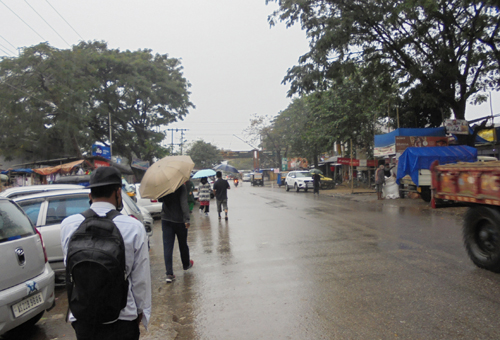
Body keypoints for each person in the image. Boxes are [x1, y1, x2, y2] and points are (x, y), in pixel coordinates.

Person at [60, 166, 151, 340]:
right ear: (118, 192)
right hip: (122, 318)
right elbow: (141, 280)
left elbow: (70, 269)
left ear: (90, 195)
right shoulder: (133, 227)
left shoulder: (68, 225)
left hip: (83, 318)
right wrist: (141, 312)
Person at [158, 183, 194, 283]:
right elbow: (183, 202)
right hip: (179, 221)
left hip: (166, 220)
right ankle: (186, 264)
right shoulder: (180, 186)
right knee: (183, 243)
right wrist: (187, 219)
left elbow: (160, 200)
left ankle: (169, 274)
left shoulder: (164, 185)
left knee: (167, 247)